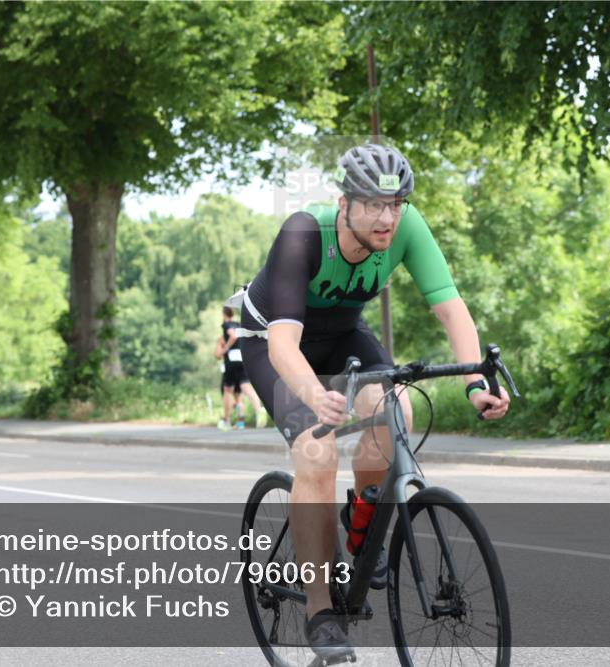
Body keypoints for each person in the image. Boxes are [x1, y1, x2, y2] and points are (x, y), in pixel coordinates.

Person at [235, 144, 511, 660]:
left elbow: (451, 309)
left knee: (396, 413)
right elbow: (282, 345)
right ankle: (321, 612)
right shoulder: (304, 234)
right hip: (273, 341)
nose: (387, 218)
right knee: (316, 455)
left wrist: (476, 383)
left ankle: (361, 526)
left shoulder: (407, 227)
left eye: (396, 205)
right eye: (373, 205)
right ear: (345, 205)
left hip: (342, 334)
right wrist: (317, 396)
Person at [214, 306, 266, 430]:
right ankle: (259, 410)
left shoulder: (227, 325)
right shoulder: (238, 324)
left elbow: (233, 336)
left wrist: (225, 348)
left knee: (227, 390)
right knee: (245, 387)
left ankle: (226, 421)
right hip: (242, 358)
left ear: (224, 314)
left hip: (231, 360)